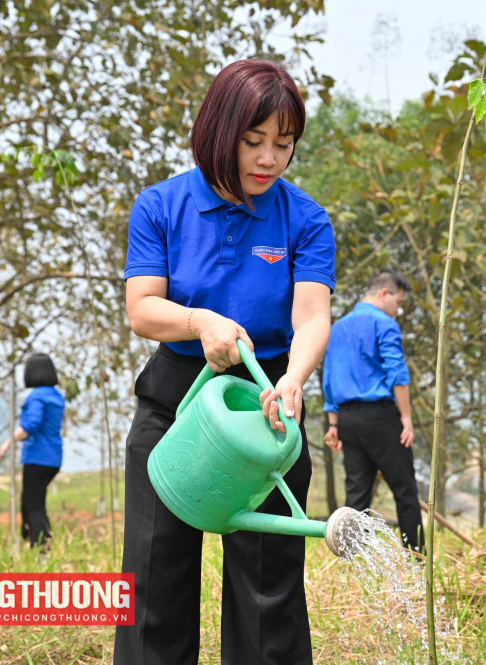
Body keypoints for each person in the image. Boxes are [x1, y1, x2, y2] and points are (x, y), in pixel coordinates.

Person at [113, 58, 334, 665]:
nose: (269, 159)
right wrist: (199, 322)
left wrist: (294, 380)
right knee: (155, 575)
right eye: (253, 141)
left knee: (268, 585)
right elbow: (142, 308)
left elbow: (313, 316)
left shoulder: (305, 220)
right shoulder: (160, 206)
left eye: (283, 144)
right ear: (219, 131)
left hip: (267, 402)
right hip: (176, 404)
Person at [322, 269, 423, 554]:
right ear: (384, 293)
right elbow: (397, 373)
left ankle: (356, 562)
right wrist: (406, 418)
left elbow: (329, 378)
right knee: (405, 491)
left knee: (356, 496)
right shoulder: (384, 323)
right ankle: (416, 560)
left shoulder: (336, 328)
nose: (397, 310)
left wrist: (333, 425)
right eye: (398, 302)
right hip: (380, 418)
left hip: (347, 420)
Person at [0, 353, 66, 549]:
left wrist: (8, 442)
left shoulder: (37, 397)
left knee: (33, 505)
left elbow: (30, 425)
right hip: (53, 457)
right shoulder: (56, 396)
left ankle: (40, 548)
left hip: (38, 457)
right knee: (33, 502)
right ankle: (32, 540)